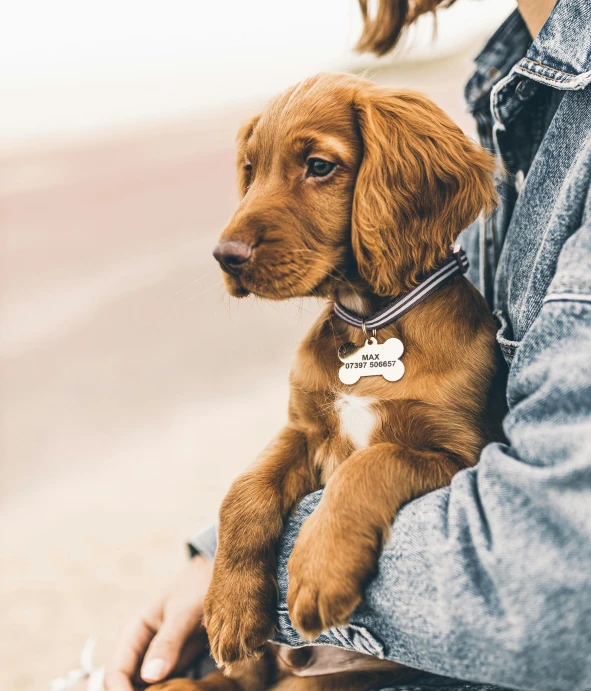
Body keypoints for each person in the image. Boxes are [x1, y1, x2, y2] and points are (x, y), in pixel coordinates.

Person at [106, 0, 591, 689]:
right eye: (255, 172)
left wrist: (269, 570)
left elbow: (545, 574)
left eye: (318, 168)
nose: (236, 234)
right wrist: (224, 548)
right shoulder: (519, 87)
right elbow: (305, 442)